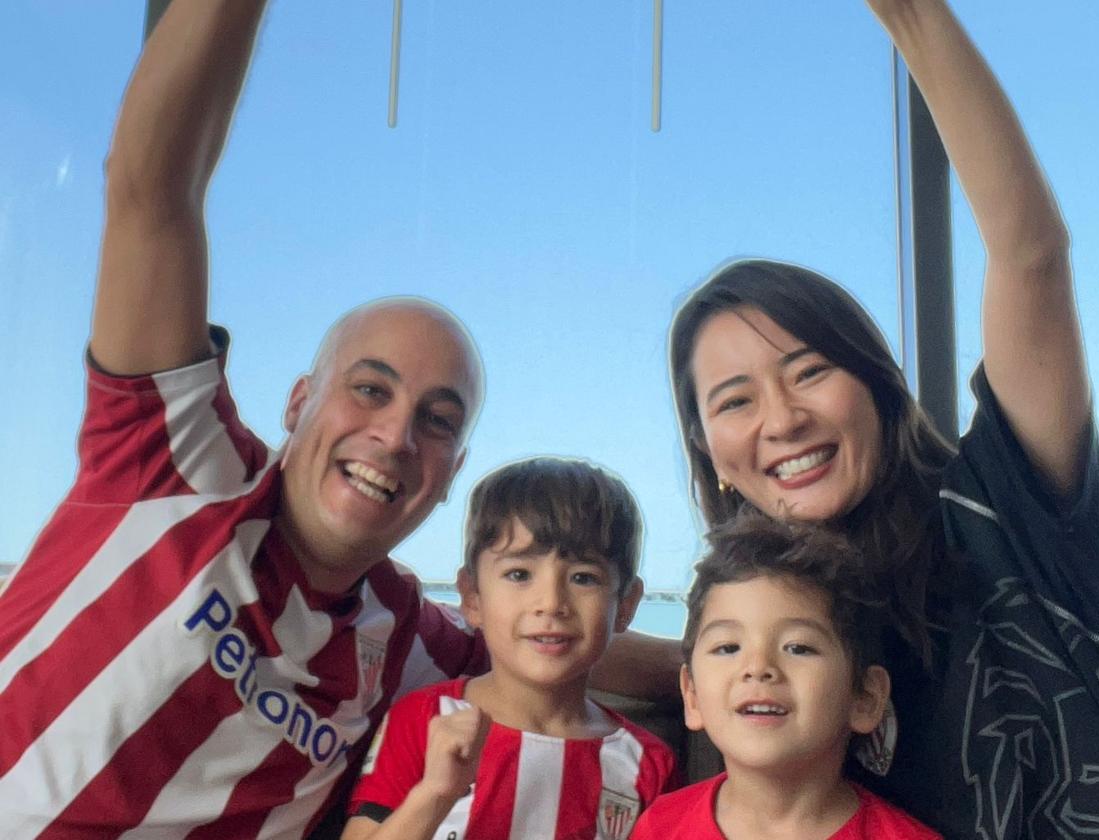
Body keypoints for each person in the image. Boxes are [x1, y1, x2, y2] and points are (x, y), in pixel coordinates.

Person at [0, 1, 676, 836]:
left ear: (450, 472)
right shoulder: (179, 459)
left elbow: (552, 634)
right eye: (369, 389)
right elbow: (150, 190)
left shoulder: (405, 639)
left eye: (437, 419)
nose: (394, 437)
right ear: (297, 401)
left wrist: (736, 665)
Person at [666, 1, 1099, 837]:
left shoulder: (1006, 506)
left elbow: (1031, 254)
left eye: (809, 371)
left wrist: (913, 19)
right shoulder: (769, 624)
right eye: (734, 401)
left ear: (877, 385)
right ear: (711, 452)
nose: (782, 419)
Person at [343, 457, 677, 840]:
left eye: (584, 578)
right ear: (472, 597)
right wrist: (434, 794)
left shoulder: (648, 764)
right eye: (519, 574)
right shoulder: (424, 720)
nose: (551, 603)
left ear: (628, 604)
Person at [632, 516, 939, 839]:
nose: (758, 666)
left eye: (798, 647)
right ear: (692, 695)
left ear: (865, 697)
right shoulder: (660, 827)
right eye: (727, 647)